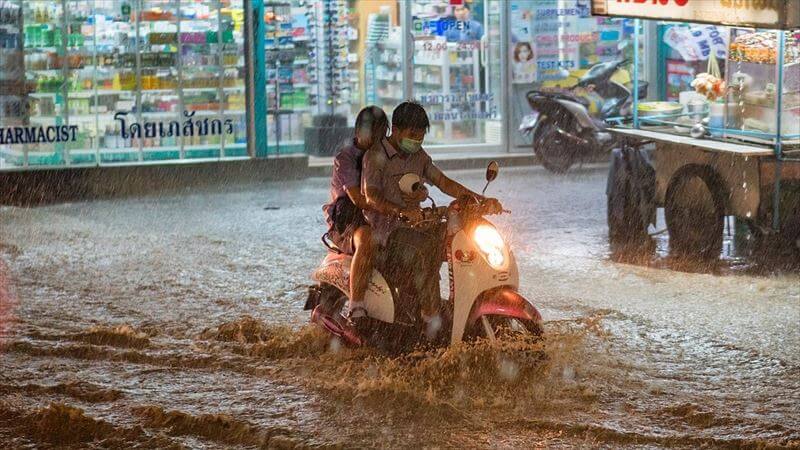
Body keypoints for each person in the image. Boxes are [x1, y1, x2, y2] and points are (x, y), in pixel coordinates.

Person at [361, 101, 501, 341]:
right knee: (425, 249)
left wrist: (479, 200)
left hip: (415, 227)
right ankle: (430, 321)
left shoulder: (419, 156)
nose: (416, 142)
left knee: (460, 238)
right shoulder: (375, 156)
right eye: (412, 135)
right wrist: (399, 211)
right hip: (387, 233)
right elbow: (370, 197)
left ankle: (461, 305)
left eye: (421, 137)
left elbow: (443, 182)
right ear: (396, 130)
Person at [322, 106, 389, 321]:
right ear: (358, 131)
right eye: (374, 134)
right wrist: (394, 207)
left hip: (379, 215)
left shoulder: (386, 156)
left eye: (382, 134)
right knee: (367, 239)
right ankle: (356, 305)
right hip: (348, 219)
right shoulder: (347, 158)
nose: (377, 140)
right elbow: (359, 200)